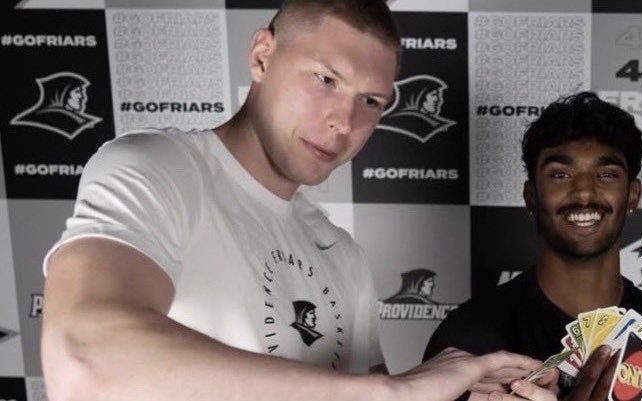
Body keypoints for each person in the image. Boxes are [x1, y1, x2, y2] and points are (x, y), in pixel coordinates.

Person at [40, 1, 541, 400]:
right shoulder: (158, 167)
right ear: (262, 56)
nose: (344, 121)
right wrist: (394, 391)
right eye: (326, 79)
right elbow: (84, 360)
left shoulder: (341, 254)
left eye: (371, 102)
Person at [423, 92, 642, 401]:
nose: (584, 193)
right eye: (560, 175)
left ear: (632, 196)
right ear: (531, 198)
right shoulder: (470, 335)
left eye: (606, 174)